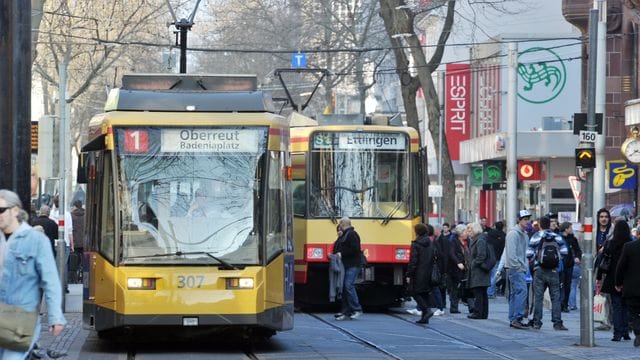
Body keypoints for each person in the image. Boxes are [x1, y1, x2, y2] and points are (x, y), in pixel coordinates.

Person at [0, 189, 66, 358]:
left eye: (1, 210)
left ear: (15, 211)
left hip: (21, 321)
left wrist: (55, 317)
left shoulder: (36, 241)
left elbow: (50, 280)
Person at [527, 216, 569, 330]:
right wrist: (556, 259)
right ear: (549, 225)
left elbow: (529, 253)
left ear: (540, 225)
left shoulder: (536, 236)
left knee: (538, 297)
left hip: (539, 270)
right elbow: (565, 251)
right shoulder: (556, 237)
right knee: (555, 297)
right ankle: (557, 323)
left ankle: (537, 322)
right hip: (554, 270)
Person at [597, 219, 632, 341]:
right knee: (626, 306)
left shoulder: (610, 244)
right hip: (628, 279)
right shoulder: (630, 243)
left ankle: (617, 333)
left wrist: (599, 277)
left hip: (612, 277)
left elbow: (603, 261)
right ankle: (626, 332)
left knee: (616, 306)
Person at [505, 210, 532, 329]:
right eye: (525, 219)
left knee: (516, 293)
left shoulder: (524, 234)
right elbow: (511, 254)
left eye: (528, 219)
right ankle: (517, 317)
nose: (527, 222)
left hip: (520, 267)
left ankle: (513, 318)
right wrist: (519, 266)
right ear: (519, 220)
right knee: (521, 292)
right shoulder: (513, 234)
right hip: (516, 268)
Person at [333, 217, 363, 320]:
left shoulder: (352, 234)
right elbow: (336, 248)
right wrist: (339, 238)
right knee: (345, 287)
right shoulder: (344, 235)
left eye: (339, 224)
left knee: (348, 286)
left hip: (353, 264)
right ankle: (346, 311)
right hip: (347, 264)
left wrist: (342, 253)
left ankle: (357, 309)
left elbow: (355, 249)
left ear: (342, 224)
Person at [406, 223, 436, 324]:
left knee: (415, 292)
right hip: (429, 271)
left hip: (419, 272)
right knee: (425, 293)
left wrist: (409, 274)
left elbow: (413, 261)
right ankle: (425, 318)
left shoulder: (416, 244)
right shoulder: (430, 243)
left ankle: (426, 310)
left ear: (417, 232)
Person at [614, 236, 640, 347]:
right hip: (632, 288)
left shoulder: (629, 246)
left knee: (633, 313)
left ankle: (638, 332)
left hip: (632, 288)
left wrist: (618, 283)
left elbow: (620, 267)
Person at [466, 222, 491, 319]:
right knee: (482, 292)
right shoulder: (479, 239)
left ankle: (478, 313)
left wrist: (473, 264)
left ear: (475, 229)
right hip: (480, 270)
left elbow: (481, 255)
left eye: (470, 230)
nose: (468, 232)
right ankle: (483, 313)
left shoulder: (480, 240)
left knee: (479, 292)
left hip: (479, 270)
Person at [558, 222, 582, 313]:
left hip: (569, 264)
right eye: (570, 228)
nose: (572, 229)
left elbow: (577, 250)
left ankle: (565, 304)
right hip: (560, 264)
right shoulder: (558, 238)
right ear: (566, 229)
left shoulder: (573, 239)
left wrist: (577, 257)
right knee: (560, 284)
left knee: (568, 285)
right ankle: (560, 303)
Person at [447, 224, 469, 314]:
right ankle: (454, 307)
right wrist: (458, 263)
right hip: (454, 268)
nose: (466, 233)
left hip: (465, 267)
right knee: (455, 287)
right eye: (465, 231)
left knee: (463, 287)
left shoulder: (467, 241)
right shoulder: (453, 240)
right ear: (460, 233)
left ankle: (470, 305)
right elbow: (451, 253)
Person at [487, 221, 506, 298]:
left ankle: (490, 291)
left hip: (489, 257)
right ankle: (490, 292)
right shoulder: (503, 236)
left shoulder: (489, 234)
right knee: (495, 275)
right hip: (498, 257)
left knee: (491, 274)